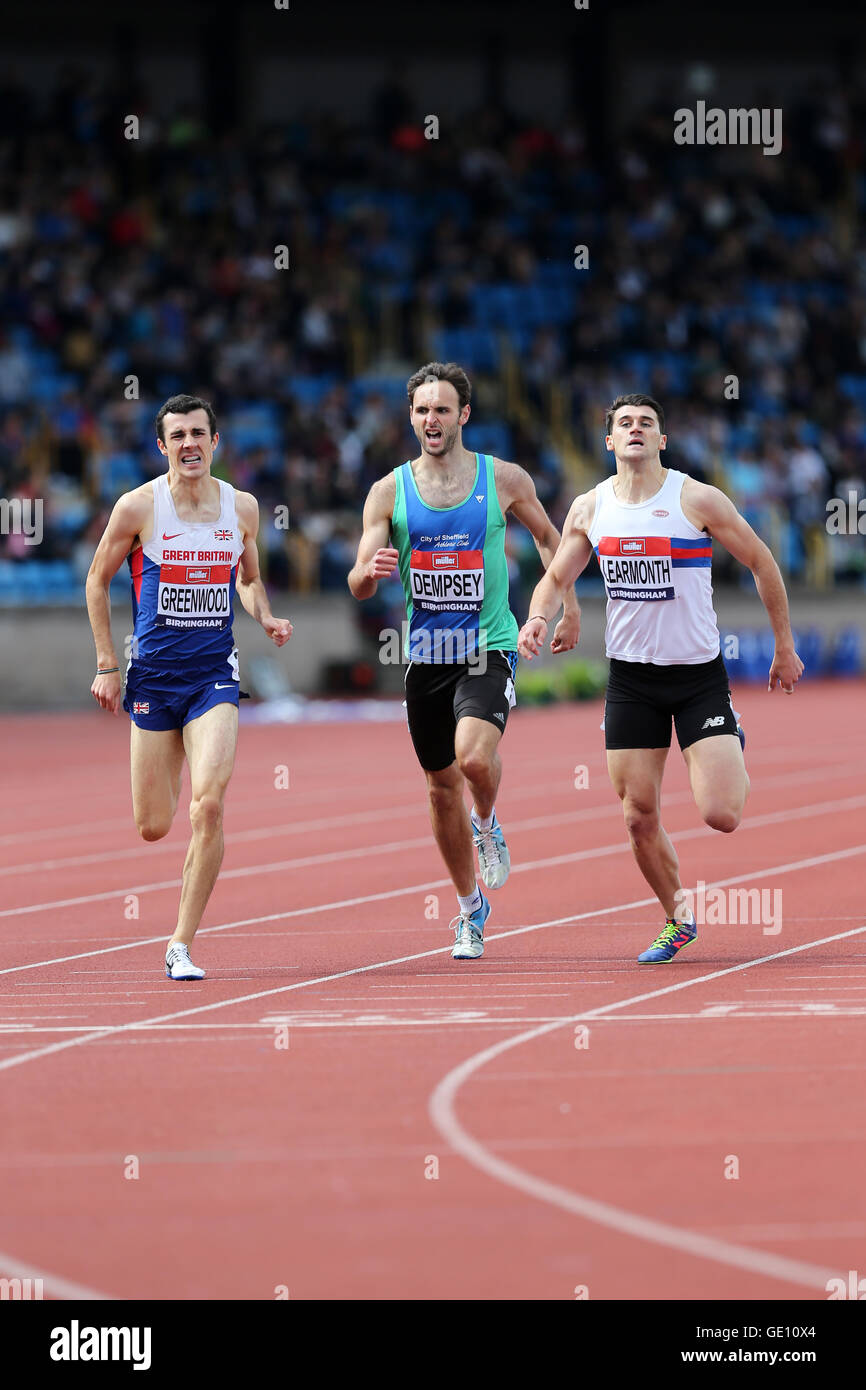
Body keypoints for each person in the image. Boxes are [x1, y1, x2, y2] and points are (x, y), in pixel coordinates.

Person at [518, 393, 804, 964]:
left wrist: (784, 645)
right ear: (609, 441)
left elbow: (761, 561)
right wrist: (537, 618)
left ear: (662, 439)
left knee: (722, 815)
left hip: (697, 677)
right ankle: (678, 918)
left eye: (646, 423)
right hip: (631, 681)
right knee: (636, 813)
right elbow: (555, 576)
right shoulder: (591, 507)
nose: (635, 430)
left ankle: (730, 738)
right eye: (624, 423)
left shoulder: (694, 497)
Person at [348, 361, 580, 960]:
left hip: (488, 645)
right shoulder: (387, 491)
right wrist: (369, 575)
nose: (432, 419)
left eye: (442, 409)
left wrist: (565, 609)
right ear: (411, 416)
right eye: (423, 410)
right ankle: (469, 909)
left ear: (463, 415)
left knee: (473, 758)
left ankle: (487, 824)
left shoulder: (502, 479)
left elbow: (553, 542)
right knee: (437, 787)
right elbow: (357, 578)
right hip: (425, 655)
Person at [85, 394, 292, 980]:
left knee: (208, 807)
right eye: (178, 436)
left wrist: (266, 615)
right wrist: (107, 665)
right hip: (152, 679)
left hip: (212, 679)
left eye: (199, 433)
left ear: (215, 441)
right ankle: (170, 754)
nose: (190, 444)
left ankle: (180, 943)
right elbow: (96, 583)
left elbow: (248, 579)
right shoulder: (137, 508)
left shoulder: (242, 508)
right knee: (153, 825)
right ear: (162, 446)